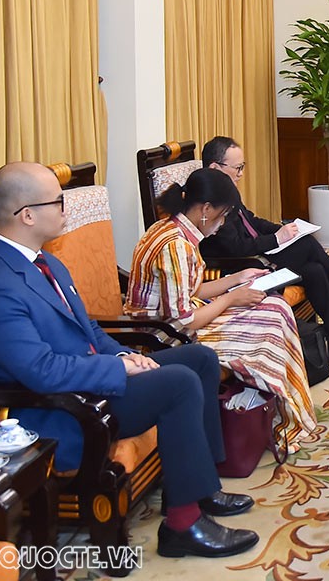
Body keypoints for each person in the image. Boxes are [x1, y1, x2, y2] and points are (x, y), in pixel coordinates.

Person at [0, 162, 259, 558]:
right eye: (57, 201)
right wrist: (117, 368)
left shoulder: (46, 262)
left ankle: (201, 490)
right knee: (180, 384)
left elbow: (90, 333)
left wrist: (125, 355)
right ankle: (182, 526)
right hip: (60, 410)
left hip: (90, 384)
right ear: (27, 214)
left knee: (200, 359)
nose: (66, 209)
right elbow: (41, 371)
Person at [125, 168, 318, 453]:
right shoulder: (175, 245)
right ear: (205, 209)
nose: (223, 222)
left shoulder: (173, 229)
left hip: (183, 319)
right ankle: (275, 417)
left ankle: (276, 411)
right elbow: (185, 319)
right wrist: (231, 298)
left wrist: (236, 279)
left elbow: (192, 291)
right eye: (223, 214)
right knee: (267, 325)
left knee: (273, 307)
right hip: (165, 338)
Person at [200, 136, 329, 358]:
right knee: (306, 246)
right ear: (214, 167)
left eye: (243, 167)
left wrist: (285, 230)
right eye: (237, 168)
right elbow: (236, 248)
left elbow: (251, 222)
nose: (241, 174)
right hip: (243, 267)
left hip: (260, 255)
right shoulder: (209, 203)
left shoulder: (227, 190)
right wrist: (276, 239)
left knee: (314, 269)